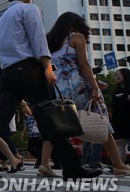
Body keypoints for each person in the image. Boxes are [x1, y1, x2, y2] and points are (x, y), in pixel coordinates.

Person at [0, 0, 102, 180]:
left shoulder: (2, 19)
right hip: (28, 70)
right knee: (51, 115)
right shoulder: (28, 9)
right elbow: (38, 39)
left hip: (7, 74)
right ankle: (72, 167)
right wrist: (47, 67)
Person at [47, 12, 130, 176]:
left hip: (59, 89)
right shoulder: (77, 37)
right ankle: (118, 165)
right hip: (79, 86)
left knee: (57, 127)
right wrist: (94, 87)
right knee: (101, 122)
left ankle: (44, 163)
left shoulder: (51, 41)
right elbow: (84, 65)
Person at [112, 68, 130, 163]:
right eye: (117, 74)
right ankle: (119, 166)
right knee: (119, 143)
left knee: (120, 143)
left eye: (121, 74)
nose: (118, 76)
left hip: (128, 120)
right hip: (118, 121)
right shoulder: (115, 90)